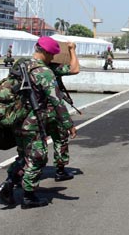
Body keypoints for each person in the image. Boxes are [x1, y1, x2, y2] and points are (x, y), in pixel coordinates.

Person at [0, 37, 77, 209]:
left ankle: (9, 184)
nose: (52, 58)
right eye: (52, 55)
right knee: (38, 157)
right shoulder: (44, 72)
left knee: (24, 156)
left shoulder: (22, 65)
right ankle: (28, 196)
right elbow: (56, 100)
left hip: (17, 118)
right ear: (46, 52)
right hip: (33, 121)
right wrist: (69, 124)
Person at [46, 41, 80, 182]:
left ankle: (15, 176)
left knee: (31, 144)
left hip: (31, 113)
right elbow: (74, 69)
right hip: (51, 110)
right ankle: (60, 170)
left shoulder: (29, 66)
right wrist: (72, 50)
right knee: (60, 137)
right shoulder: (52, 68)